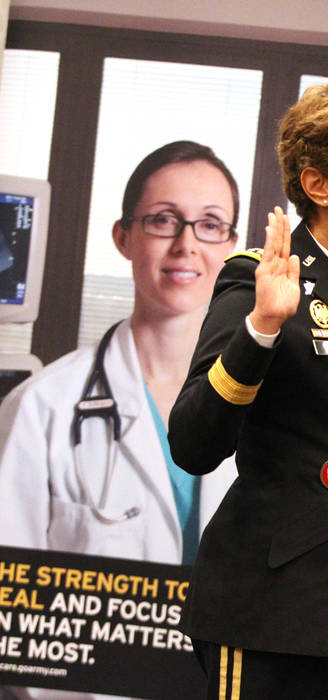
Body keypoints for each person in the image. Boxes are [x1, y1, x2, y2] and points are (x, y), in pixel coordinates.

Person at [168, 82, 328, 699]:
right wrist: (263, 327)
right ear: (318, 186)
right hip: (271, 610)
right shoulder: (259, 279)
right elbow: (193, 441)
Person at [0, 141, 240, 700]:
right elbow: (9, 607)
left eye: (209, 225)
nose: (185, 245)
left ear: (230, 248)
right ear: (124, 237)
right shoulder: (42, 408)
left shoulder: (273, 414)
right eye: (163, 221)